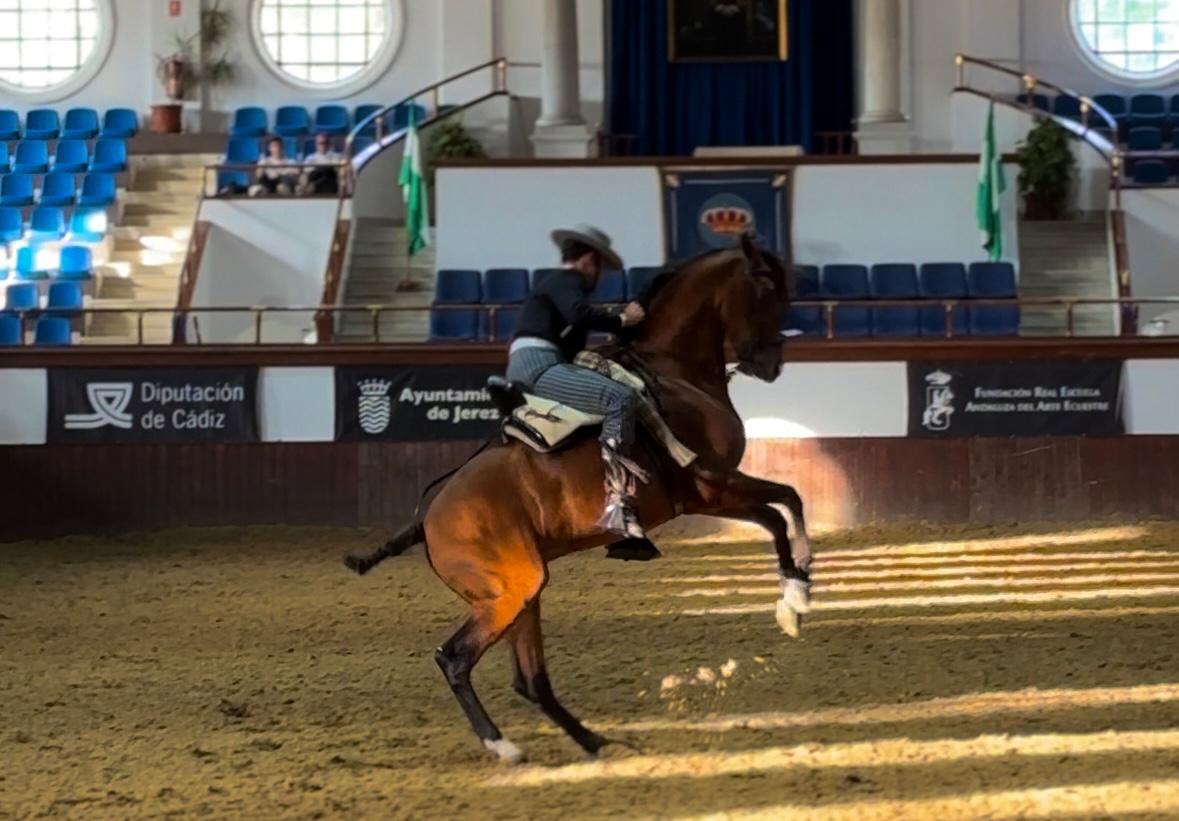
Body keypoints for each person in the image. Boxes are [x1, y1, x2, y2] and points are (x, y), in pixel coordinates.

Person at [506, 225, 650, 539]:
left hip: (532, 363)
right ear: (588, 261)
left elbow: (576, 331)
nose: (599, 278)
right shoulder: (567, 282)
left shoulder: (554, 290)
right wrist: (623, 319)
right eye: (599, 268)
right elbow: (579, 315)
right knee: (618, 398)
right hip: (539, 365)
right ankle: (617, 500)